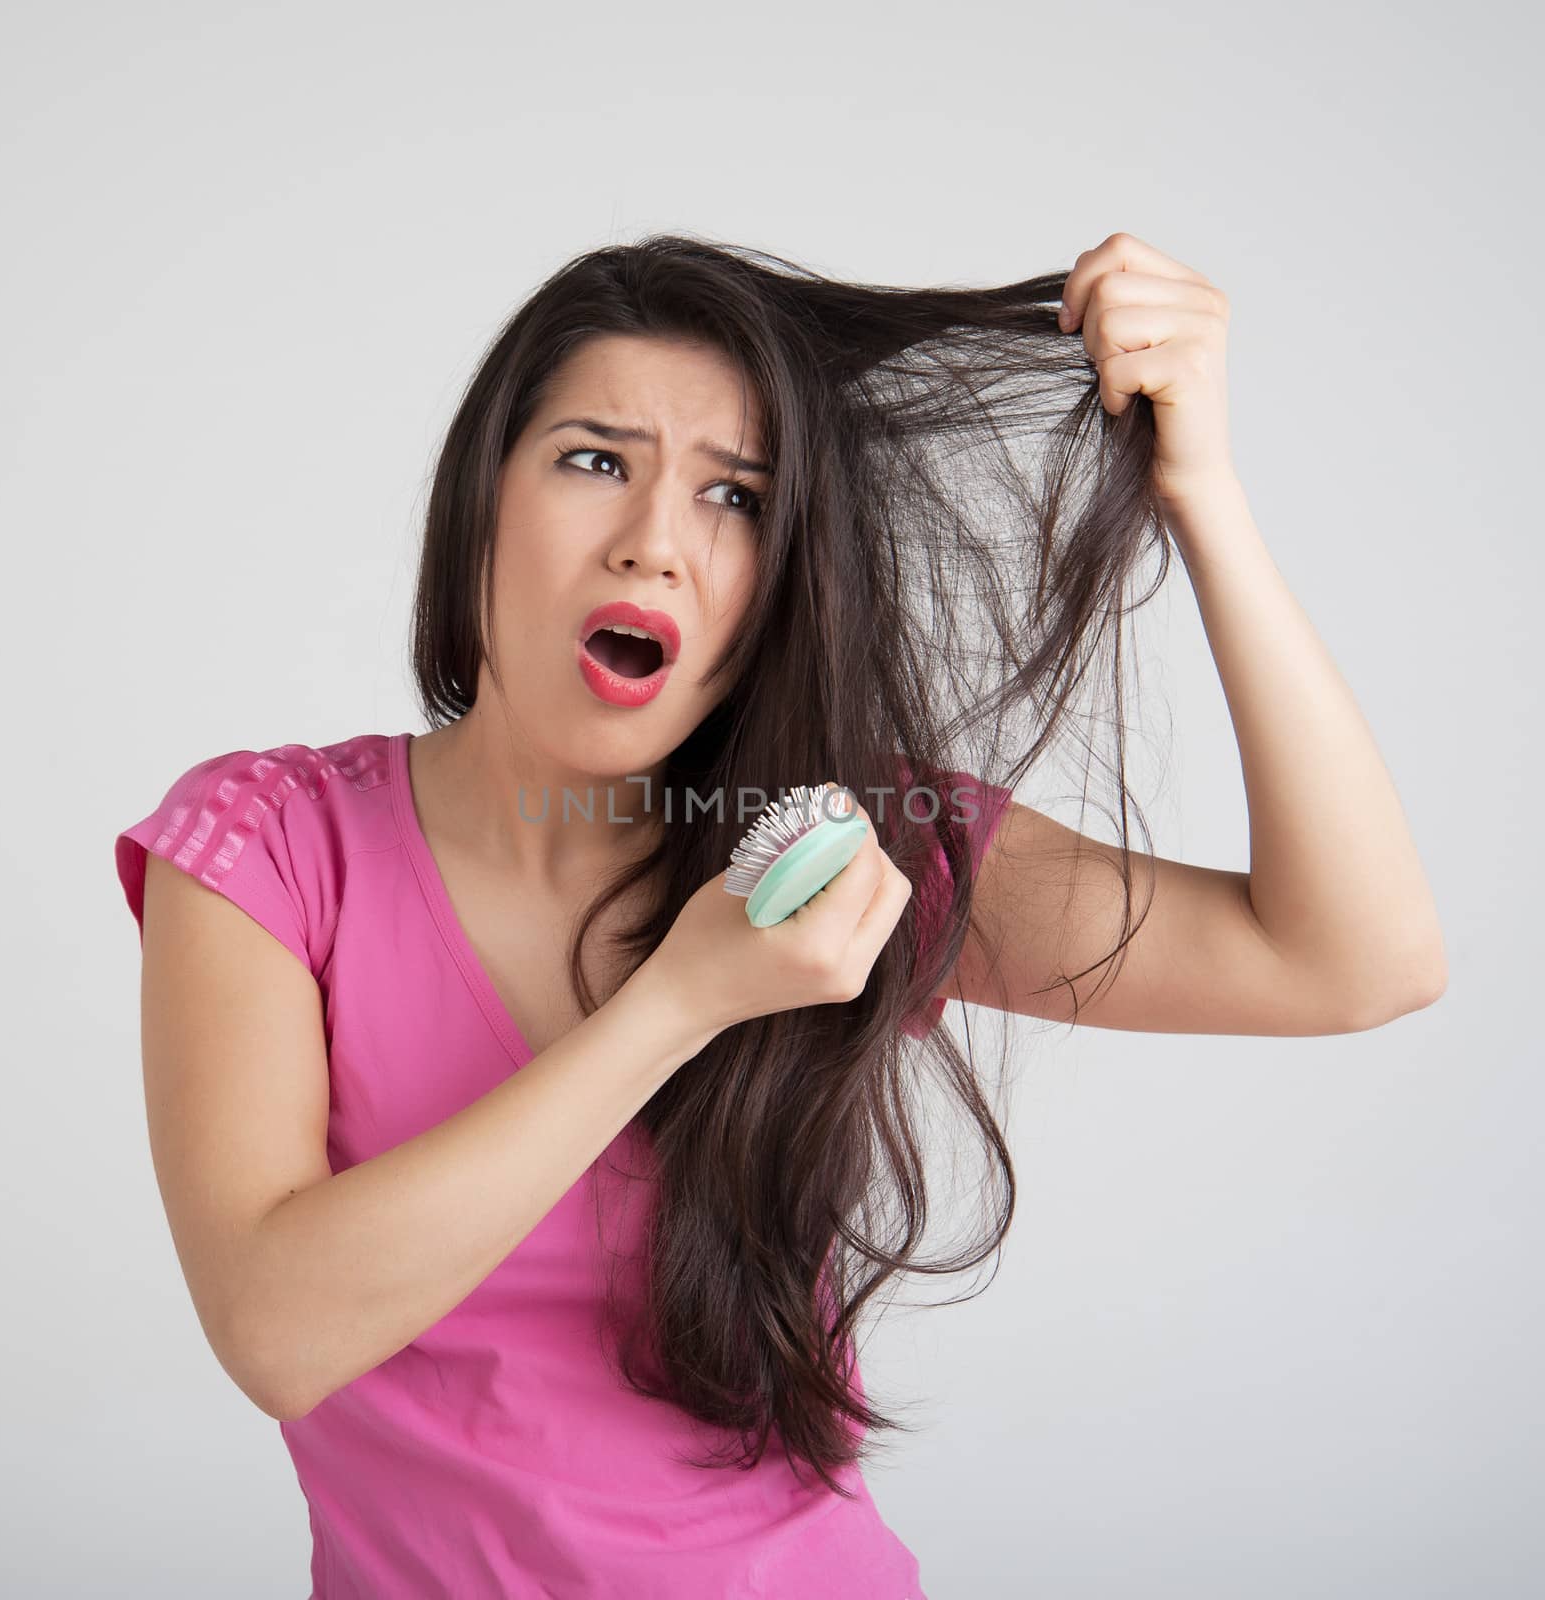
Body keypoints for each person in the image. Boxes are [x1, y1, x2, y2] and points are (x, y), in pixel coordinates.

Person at [113, 232, 1446, 1598]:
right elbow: (275, 1330)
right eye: (593, 460)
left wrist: (1206, 497)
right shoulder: (267, 847)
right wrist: (681, 1000)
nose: (655, 544)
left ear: (779, 582)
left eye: (736, 498)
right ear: (479, 508)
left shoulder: (854, 854)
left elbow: (1358, 962)